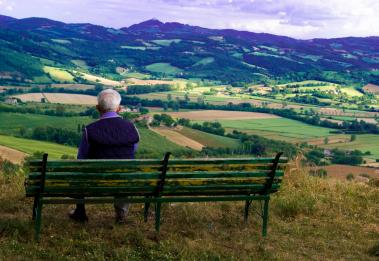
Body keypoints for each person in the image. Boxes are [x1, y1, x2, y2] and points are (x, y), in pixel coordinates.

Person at [69, 89, 140, 224]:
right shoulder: (131, 127)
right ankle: (121, 215)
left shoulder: (89, 130)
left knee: (79, 171)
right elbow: (133, 150)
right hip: (124, 181)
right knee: (125, 171)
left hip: (95, 181)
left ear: (97, 108)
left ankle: (80, 212)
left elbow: (81, 158)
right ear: (119, 108)